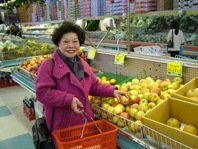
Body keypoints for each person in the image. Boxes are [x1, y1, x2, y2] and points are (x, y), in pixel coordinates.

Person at [35, 21, 127, 133]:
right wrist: (68, 99)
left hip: (85, 122)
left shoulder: (82, 64)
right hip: (63, 126)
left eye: (75, 41)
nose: (71, 46)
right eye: (66, 42)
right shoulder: (48, 66)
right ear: (58, 43)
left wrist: (112, 91)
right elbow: (42, 92)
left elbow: (94, 86)